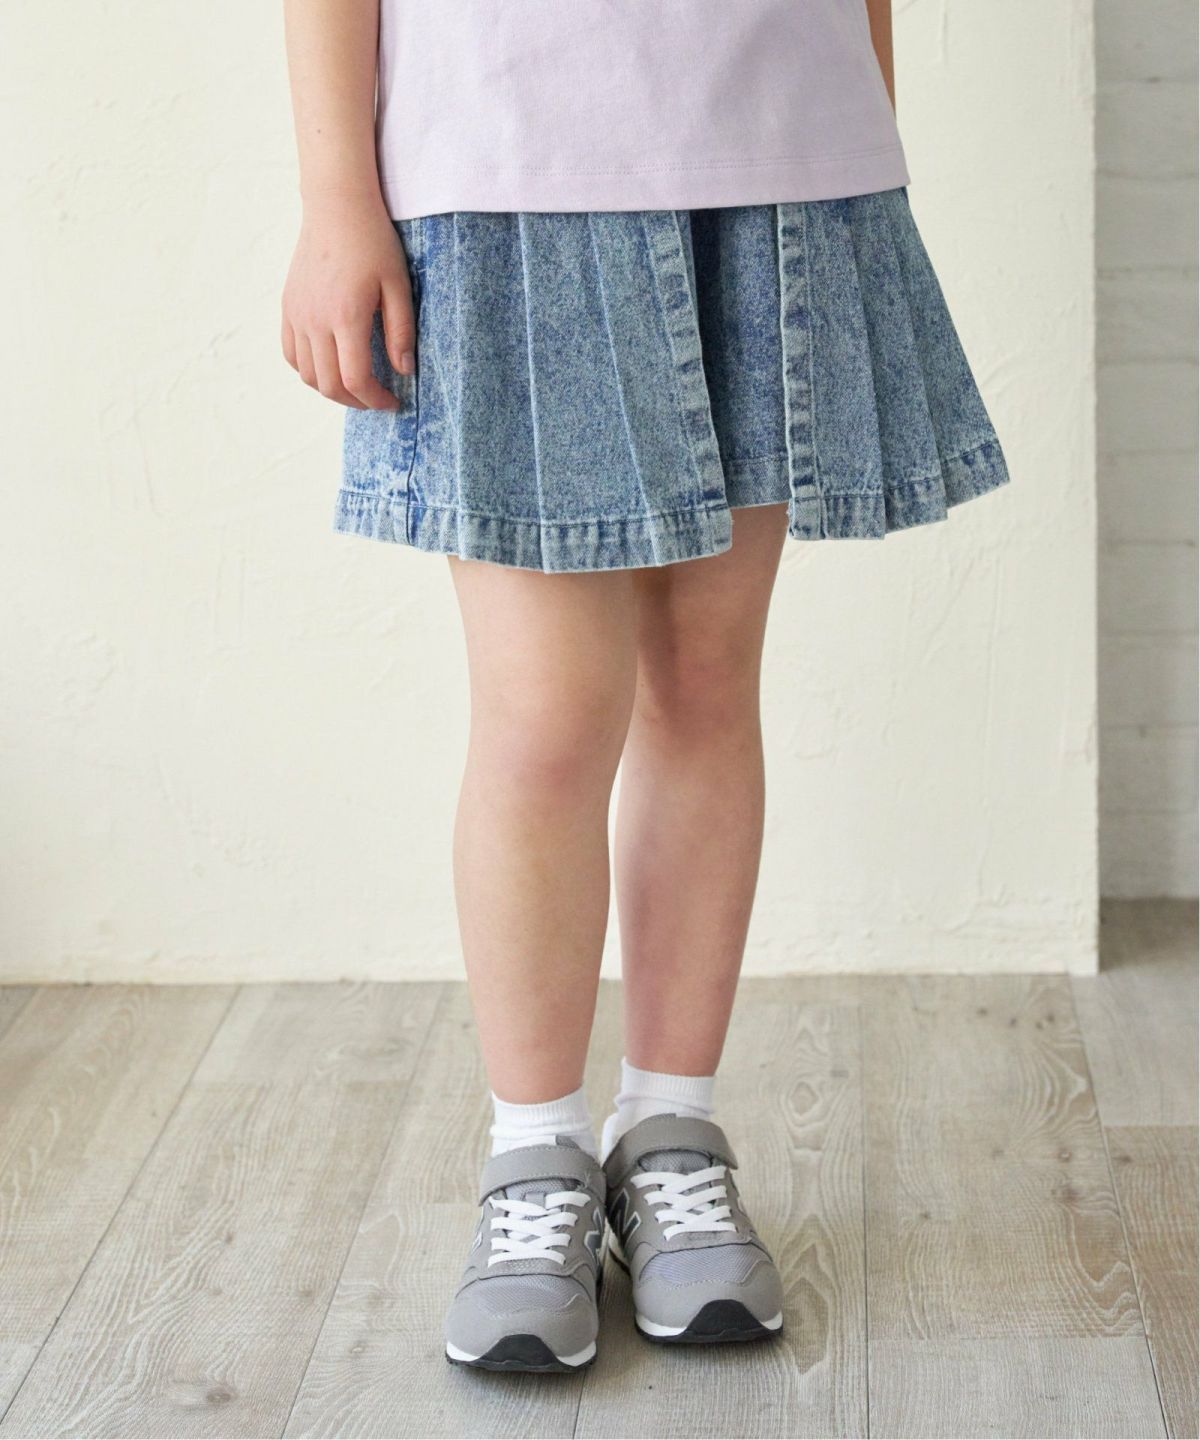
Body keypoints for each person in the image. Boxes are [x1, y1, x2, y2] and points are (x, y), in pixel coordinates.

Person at [281, 0, 1009, 1374]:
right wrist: (336, 197)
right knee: (547, 715)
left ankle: (671, 1132)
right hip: (506, 160)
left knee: (704, 682)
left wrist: (866, 133)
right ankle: (536, 1152)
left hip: (784, 146)